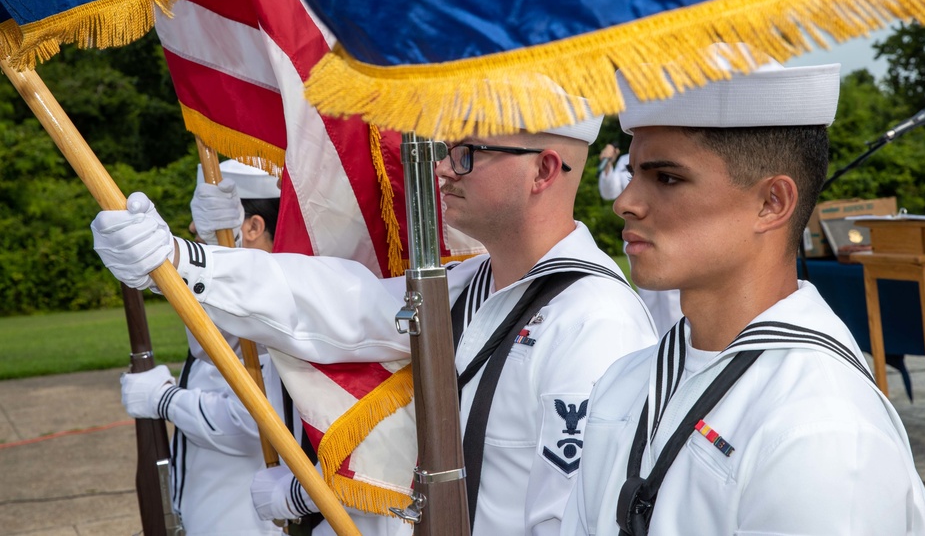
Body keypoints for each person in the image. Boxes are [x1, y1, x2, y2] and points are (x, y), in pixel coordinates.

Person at [91, 99, 659, 536]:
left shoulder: (594, 320)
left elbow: (572, 519)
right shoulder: (473, 284)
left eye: (466, 152)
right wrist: (182, 260)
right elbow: (336, 303)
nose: (441, 169)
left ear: (543, 170)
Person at [560, 45, 925, 535]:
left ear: (771, 203)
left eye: (667, 178)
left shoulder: (823, 432)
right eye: (632, 175)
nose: (626, 203)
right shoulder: (625, 380)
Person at [118, 159, 287, 536]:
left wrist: (164, 400)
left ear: (254, 226)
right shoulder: (238, 297)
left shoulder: (273, 309)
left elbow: (251, 422)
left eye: (209, 222)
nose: (193, 229)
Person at [598, 144, 683, 334]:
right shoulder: (624, 161)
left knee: (674, 300)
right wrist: (607, 164)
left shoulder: (674, 154)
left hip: (670, 235)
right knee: (648, 297)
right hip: (639, 239)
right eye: (630, 176)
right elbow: (609, 192)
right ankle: (655, 346)